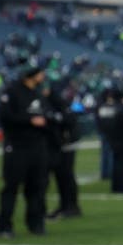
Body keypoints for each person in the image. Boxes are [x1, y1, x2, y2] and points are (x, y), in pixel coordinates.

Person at [0, 64, 51, 238]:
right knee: (11, 186)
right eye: (40, 73)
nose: (42, 76)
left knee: (38, 187)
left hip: (37, 146)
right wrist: (30, 120)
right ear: (30, 75)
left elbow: (45, 114)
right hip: (17, 146)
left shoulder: (38, 93)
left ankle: (36, 223)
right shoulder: (12, 92)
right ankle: (4, 226)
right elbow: (5, 116)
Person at [44, 81, 82, 219]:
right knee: (62, 177)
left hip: (66, 145)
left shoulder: (59, 103)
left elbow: (68, 121)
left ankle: (71, 206)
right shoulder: (54, 103)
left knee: (66, 176)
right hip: (60, 144)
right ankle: (65, 206)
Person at [94, 87, 123, 193]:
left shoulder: (105, 108)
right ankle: (122, 186)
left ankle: (115, 185)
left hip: (111, 138)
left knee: (116, 162)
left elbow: (100, 123)